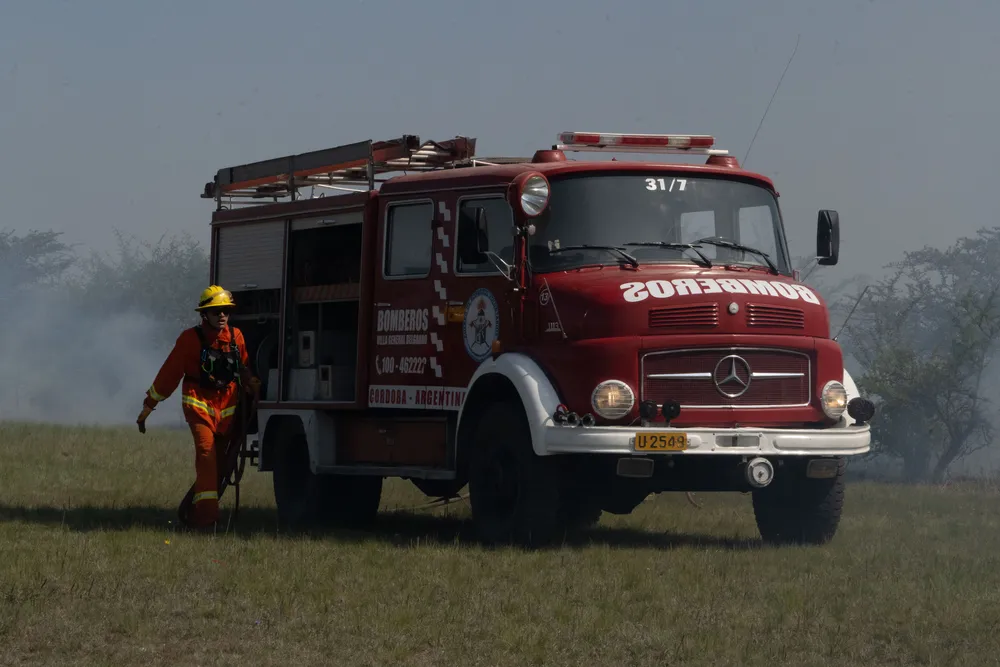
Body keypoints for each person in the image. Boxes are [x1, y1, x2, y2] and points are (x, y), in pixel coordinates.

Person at [136, 285, 260, 529]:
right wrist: (149, 406)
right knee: (206, 455)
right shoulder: (189, 339)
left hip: (227, 411)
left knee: (221, 465)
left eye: (225, 311)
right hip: (199, 405)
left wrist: (251, 382)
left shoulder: (236, 337)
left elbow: (241, 367)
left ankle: (196, 510)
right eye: (216, 312)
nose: (222, 316)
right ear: (204, 315)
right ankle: (206, 520)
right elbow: (169, 374)